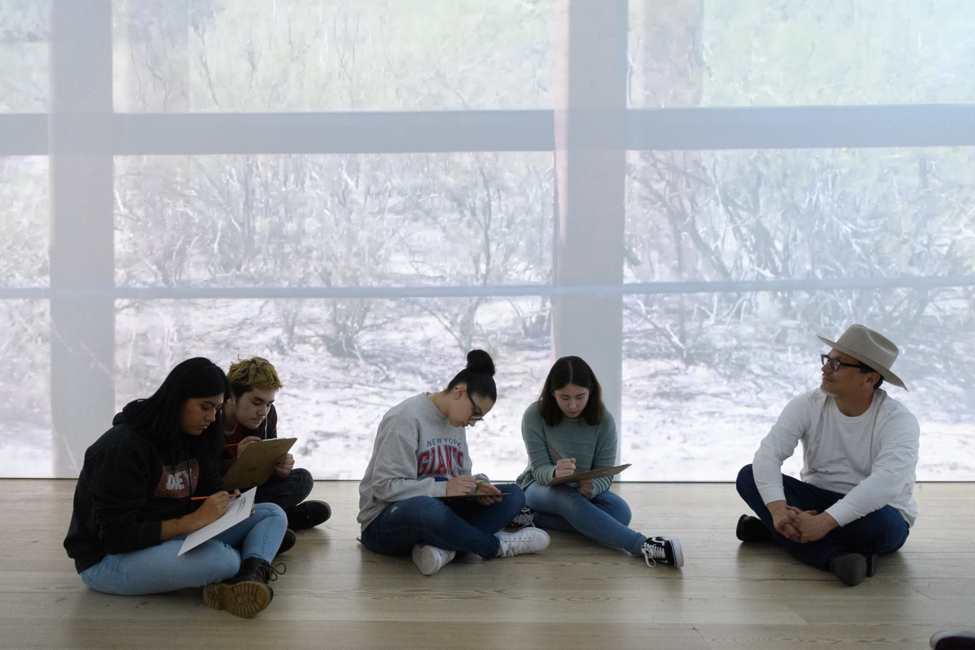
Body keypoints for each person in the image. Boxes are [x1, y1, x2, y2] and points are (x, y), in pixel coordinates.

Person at [63, 357, 288, 618]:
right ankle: (239, 563)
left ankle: (248, 579)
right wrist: (192, 521)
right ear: (178, 398)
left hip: (169, 535)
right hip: (108, 559)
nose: (211, 418)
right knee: (224, 559)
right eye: (205, 407)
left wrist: (230, 502)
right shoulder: (121, 449)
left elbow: (210, 488)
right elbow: (116, 538)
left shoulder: (197, 434)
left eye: (215, 409)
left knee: (272, 513)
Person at [736, 324, 920, 586]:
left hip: (875, 513)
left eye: (838, 363)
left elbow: (885, 484)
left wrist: (825, 522)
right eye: (827, 359)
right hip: (816, 500)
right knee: (748, 475)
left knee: (882, 528)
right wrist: (778, 510)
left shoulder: (899, 421)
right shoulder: (807, 404)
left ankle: (772, 532)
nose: (825, 368)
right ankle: (835, 558)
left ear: (870, 378)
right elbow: (768, 455)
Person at [357, 349, 551, 575]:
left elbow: (459, 478)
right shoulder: (404, 418)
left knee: (513, 495)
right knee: (426, 507)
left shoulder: (456, 421)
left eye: (479, 418)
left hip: (440, 511)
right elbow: (384, 488)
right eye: (475, 413)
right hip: (385, 521)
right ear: (459, 392)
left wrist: (478, 487)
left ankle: (443, 552)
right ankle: (496, 546)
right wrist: (444, 488)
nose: (473, 423)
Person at [512, 356, 683, 569]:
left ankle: (533, 519)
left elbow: (604, 473)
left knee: (621, 512)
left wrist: (592, 488)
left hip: (579, 492)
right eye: (564, 397)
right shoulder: (534, 415)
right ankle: (643, 545)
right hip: (539, 489)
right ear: (552, 393)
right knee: (566, 498)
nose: (572, 405)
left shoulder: (605, 421)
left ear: (591, 391)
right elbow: (538, 470)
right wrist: (555, 473)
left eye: (580, 397)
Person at [221, 357, 330, 554]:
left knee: (302, 478)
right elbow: (197, 476)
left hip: (248, 491)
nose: (263, 412)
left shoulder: (267, 415)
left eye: (269, 403)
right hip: (217, 494)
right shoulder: (210, 417)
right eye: (256, 402)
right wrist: (235, 461)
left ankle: (266, 521)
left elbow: (262, 470)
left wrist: (279, 468)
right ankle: (278, 520)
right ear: (231, 396)